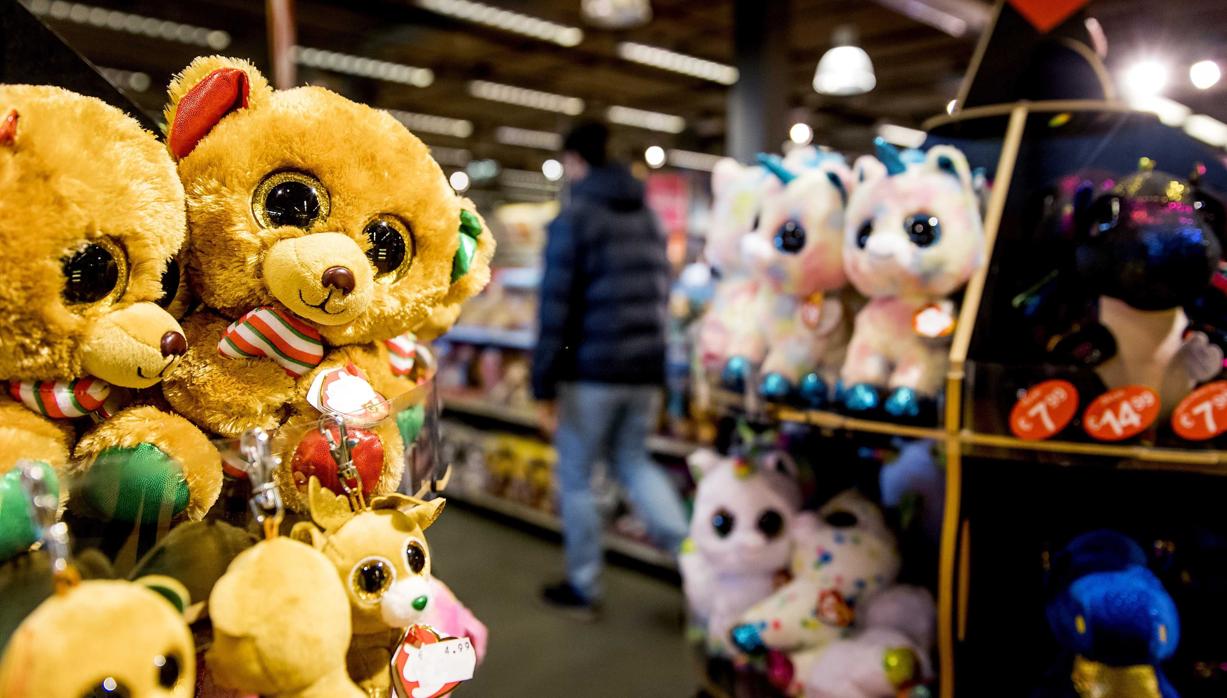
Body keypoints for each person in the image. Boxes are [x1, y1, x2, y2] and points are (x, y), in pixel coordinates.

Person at [532, 121, 689, 619]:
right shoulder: (645, 216)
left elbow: (556, 308)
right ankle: (698, 565)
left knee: (576, 479)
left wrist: (543, 384)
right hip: (642, 371)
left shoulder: (576, 216)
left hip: (590, 372)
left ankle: (584, 588)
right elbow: (661, 297)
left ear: (575, 161)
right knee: (635, 463)